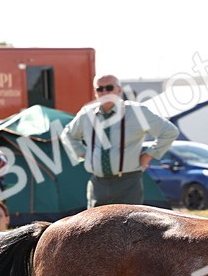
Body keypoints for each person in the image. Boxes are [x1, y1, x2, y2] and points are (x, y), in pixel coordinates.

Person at [60, 74, 179, 208]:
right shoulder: (86, 114)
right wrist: (83, 154)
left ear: (119, 90)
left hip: (128, 183)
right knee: (95, 227)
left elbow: (169, 132)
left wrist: (149, 155)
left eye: (109, 87)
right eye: (100, 89)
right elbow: (67, 135)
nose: (105, 92)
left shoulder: (137, 112)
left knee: (127, 227)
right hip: (97, 184)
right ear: (95, 93)